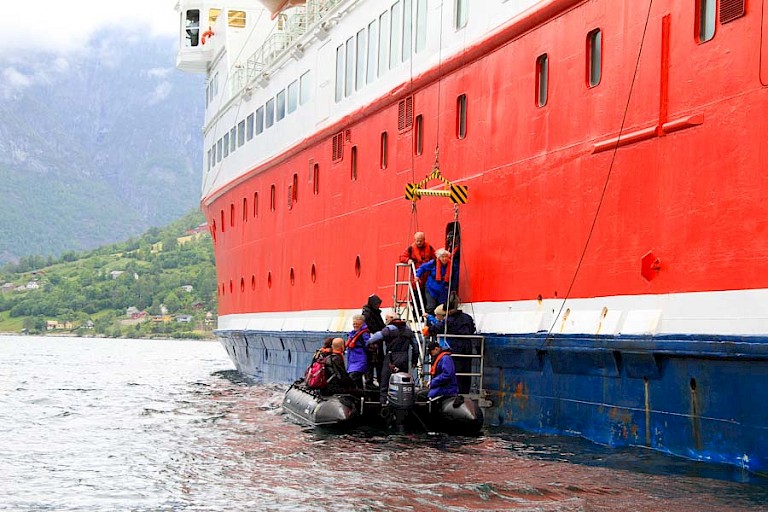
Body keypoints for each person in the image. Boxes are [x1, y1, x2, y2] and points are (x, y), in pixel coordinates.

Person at [366, 312, 419, 405]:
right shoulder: (408, 330)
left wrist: (367, 344)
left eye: (386, 319)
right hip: (404, 358)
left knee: (385, 383)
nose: (385, 321)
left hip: (391, 358)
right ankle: (403, 403)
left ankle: (383, 404)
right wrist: (415, 360)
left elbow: (373, 339)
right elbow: (416, 346)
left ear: (391, 318)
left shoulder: (389, 329)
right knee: (403, 381)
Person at [422, 303, 476, 394]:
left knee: (455, 369)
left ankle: (457, 391)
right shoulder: (467, 317)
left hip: (456, 345)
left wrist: (428, 330)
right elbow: (472, 328)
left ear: (448, 310)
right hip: (468, 346)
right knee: (466, 370)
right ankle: (465, 390)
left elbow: (439, 327)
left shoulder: (450, 319)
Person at [399, 231, 436, 309]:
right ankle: (417, 313)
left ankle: (426, 313)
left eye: (421, 241)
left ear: (424, 240)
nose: (419, 242)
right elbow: (402, 257)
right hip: (416, 278)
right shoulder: (410, 249)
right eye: (417, 241)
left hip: (427, 278)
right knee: (416, 297)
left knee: (427, 297)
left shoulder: (429, 248)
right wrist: (407, 260)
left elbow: (435, 258)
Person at [415, 248, 457, 315]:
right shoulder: (433, 263)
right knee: (431, 306)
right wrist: (417, 276)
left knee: (442, 308)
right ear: (439, 257)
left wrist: (453, 288)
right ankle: (429, 322)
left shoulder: (452, 265)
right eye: (442, 257)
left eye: (446, 256)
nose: (444, 259)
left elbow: (454, 277)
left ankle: (440, 323)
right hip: (431, 288)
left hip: (444, 289)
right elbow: (422, 267)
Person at [362, 294, 386, 387]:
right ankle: (370, 382)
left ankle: (378, 381)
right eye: (377, 304)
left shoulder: (375, 313)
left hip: (377, 341)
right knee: (371, 363)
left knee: (377, 363)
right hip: (372, 343)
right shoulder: (368, 314)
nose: (378, 306)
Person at [345, 314, 370, 389]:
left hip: (360, 359)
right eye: (354, 324)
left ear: (362, 324)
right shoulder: (353, 333)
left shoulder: (364, 334)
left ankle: (359, 395)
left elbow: (367, 344)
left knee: (353, 377)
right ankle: (360, 396)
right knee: (357, 380)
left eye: (357, 324)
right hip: (352, 360)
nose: (355, 325)